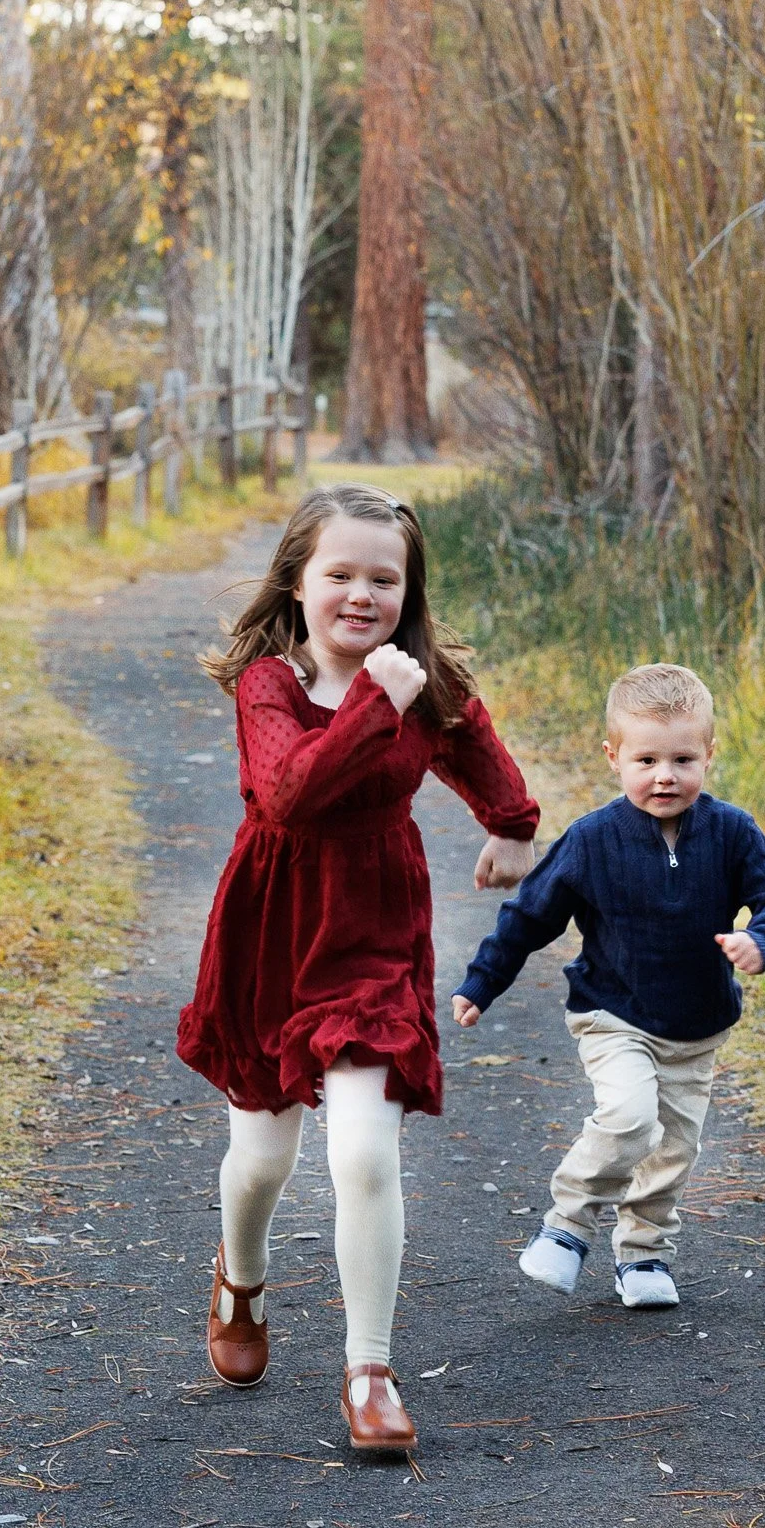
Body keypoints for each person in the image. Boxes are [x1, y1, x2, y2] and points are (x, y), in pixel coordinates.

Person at [177, 483, 538, 1452]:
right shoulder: (272, 684)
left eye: (384, 577)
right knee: (263, 1158)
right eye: (339, 573)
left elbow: (472, 740)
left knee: (365, 1152)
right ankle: (240, 1276)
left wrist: (510, 824)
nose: (361, 593)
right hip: (273, 933)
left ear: (408, 588)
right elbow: (289, 793)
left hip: (374, 937)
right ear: (298, 580)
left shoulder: (418, 678)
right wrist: (378, 700)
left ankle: (369, 1371)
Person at [451, 662, 765, 1310]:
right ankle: (565, 1227)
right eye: (645, 759)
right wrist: (483, 981)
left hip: (697, 1023)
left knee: (673, 1145)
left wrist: (763, 940)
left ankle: (642, 1256)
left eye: (681, 759)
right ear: (613, 758)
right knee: (629, 1117)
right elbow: (529, 914)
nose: (663, 775)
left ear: (708, 755)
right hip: (612, 1013)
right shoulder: (590, 840)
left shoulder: (731, 832)